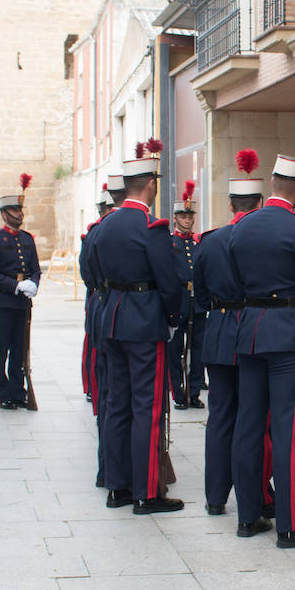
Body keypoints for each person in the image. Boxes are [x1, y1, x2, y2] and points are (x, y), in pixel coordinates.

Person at [227, 154, 295, 548]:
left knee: (249, 426)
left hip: (251, 330)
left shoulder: (244, 225)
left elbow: (237, 280)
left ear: (272, 183)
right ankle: (291, 525)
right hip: (289, 333)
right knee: (287, 430)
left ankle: (248, 516)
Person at [90, 147, 184, 514]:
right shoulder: (151, 227)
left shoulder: (105, 225)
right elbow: (168, 282)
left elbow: (95, 274)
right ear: (149, 185)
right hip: (144, 321)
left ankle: (117, 487)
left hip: (111, 317)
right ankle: (147, 492)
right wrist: (173, 319)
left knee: (117, 404)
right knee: (148, 406)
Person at [192, 170, 263, 517]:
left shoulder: (209, 241)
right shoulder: (261, 238)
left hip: (219, 330)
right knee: (251, 418)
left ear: (231, 203)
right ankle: (255, 496)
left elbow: (201, 297)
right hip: (252, 330)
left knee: (220, 416)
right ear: (260, 203)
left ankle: (215, 496)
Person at [82, 176, 126, 497]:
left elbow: (88, 276)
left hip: (103, 314)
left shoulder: (94, 234)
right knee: (113, 399)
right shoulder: (106, 231)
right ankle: (110, 470)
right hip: (113, 318)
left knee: (108, 399)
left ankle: (105, 470)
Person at [0, 179, 41, 410]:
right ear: (4, 213)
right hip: (3, 301)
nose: (19, 214)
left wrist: (34, 283)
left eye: (20, 209)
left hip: (23, 303)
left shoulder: (27, 239)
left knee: (19, 349)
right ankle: (2, 393)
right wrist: (16, 286)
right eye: (15, 210)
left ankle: (18, 391)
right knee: (1, 350)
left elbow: (35, 269)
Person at [169, 184, 206, 411]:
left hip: (198, 303)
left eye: (190, 216)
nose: (188, 220)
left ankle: (194, 392)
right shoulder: (170, 242)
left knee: (198, 350)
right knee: (175, 351)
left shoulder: (198, 242)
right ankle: (178, 393)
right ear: (175, 218)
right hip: (179, 300)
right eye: (183, 216)